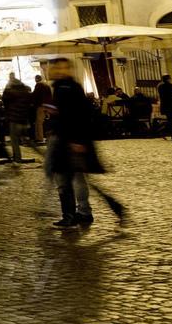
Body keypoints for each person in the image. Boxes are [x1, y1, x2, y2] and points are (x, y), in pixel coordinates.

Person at [43, 58, 120, 229]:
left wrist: (76, 140)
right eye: (56, 68)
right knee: (72, 178)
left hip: (69, 140)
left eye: (62, 68)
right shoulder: (60, 87)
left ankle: (75, 214)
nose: (58, 71)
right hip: (65, 139)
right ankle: (80, 213)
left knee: (69, 179)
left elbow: (78, 116)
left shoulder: (68, 88)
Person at [2, 73, 33, 164]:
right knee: (24, 139)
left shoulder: (10, 91)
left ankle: (17, 157)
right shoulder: (25, 90)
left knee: (14, 140)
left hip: (14, 119)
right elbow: (29, 104)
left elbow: (5, 100)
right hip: (23, 119)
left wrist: (7, 88)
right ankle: (18, 156)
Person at [31, 74, 52, 143]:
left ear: (36, 79)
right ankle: (49, 137)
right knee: (48, 122)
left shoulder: (38, 85)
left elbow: (35, 95)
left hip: (40, 106)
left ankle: (39, 138)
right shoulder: (46, 85)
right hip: (47, 106)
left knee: (38, 122)